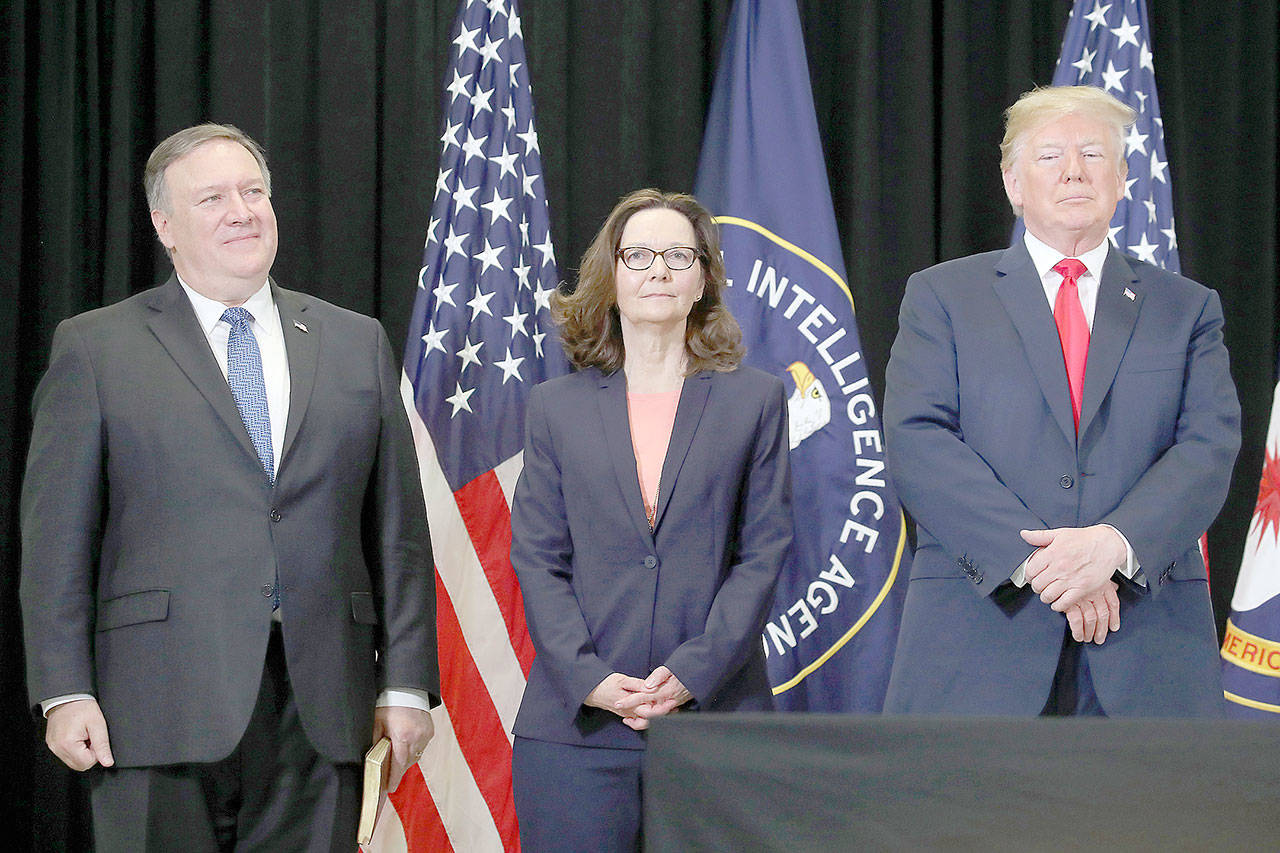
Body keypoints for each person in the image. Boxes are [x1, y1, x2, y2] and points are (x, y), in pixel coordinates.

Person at [20, 123, 437, 850]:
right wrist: (65, 688)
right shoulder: (95, 347)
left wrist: (404, 683)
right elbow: (57, 537)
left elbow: (397, 531)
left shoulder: (354, 340)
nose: (242, 210)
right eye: (212, 197)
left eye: (253, 192)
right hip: (151, 708)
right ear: (164, 224)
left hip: (321, 707)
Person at [882, 86, 1240, 717]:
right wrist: (1039, 564)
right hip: (981, 634)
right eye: (1050, 156)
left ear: (1124, 178)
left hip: (1145, 643)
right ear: (1013, 183)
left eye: (1094, 154)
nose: (1074, 169)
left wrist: (1113, 546)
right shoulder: (941, 296)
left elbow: (1207, 448)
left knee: (1148, 821)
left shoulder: (1189, 308)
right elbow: (918, 441)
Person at [509, 188, 793, 851]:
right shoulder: (556, 407)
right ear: (612, 278)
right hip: (576, 731)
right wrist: (592, 680)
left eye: (676, 254)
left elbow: (764, 552)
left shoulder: (755, 400)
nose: (658, 270)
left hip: (717, 720)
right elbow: (538, 560)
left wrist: (694, 672)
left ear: (702, 278)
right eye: (637, 255)